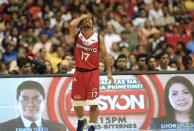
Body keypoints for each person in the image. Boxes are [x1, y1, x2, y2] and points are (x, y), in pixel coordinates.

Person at [69, 13, 113, 131]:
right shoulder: (76, 34)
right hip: (79, 72)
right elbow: (71, 24)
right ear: (82, 23)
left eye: (90, 20)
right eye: (85, 20)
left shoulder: (98, 37)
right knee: (77, 102)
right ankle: (81, 120)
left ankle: (92, 125)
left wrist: (109, 72)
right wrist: (83, 16)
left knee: (94, 103)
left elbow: (105, 56)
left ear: (93, 24)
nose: (88, 21)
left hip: (92, 72)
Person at [0, 80, 66, 131]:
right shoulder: (3, 128)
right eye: (25, 99)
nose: (30, 104)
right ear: (17, 102)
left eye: (36, 99)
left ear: (44, 102)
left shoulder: (59, 128)